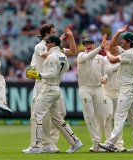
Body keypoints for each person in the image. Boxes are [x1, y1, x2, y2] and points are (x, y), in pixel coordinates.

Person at [22, 24, 78, 153]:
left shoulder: (54, 50)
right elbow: (51, 58)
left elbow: (74, 52)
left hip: (52, 84)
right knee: (39, 115)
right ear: (47, 35)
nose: (56, 33)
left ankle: (50, 142)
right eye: (53, 32)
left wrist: (70, 37)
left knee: (60, 113)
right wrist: (59, 47)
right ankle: (47, 143)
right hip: (41, 82)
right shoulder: (41, 46)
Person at [98, 25, 133, 152]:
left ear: (129, 42)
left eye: (123, 39)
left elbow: (112, 59)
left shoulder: (129, 54)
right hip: (128, 88)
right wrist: (118, 32)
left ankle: (110, 143)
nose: (121, 41)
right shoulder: (127, 52)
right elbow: (113, 45)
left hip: (127, 90)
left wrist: (106, 51)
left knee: (119, 116)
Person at [77, 35, 107, 152]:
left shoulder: (101, 58)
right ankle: (96, 143)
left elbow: (105, 73)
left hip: (98, 88)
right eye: (85, 44)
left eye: (90, 43)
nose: (88, 45)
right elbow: (89, 56)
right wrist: (101, 47)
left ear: (93, 44)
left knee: (100, 117)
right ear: (83, 46)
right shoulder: (81, 56)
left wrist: (105, 78)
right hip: (85, 88)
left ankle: (96, 145)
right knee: (89, 116)